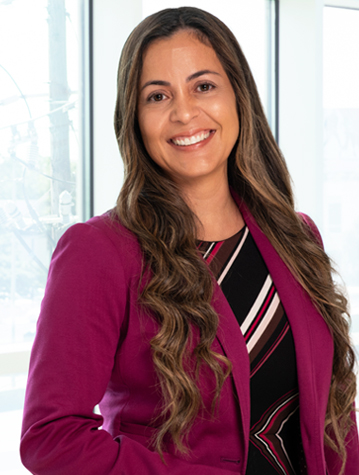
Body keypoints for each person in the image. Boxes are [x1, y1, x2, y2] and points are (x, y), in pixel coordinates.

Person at [20, 7, 358, 475]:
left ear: (238, 96)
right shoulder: (99, 253)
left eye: (203, 86)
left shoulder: (296, 236)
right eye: (157, 96)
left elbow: (334, 416)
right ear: (135, 119)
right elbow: (51, 438)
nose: (183, 112)